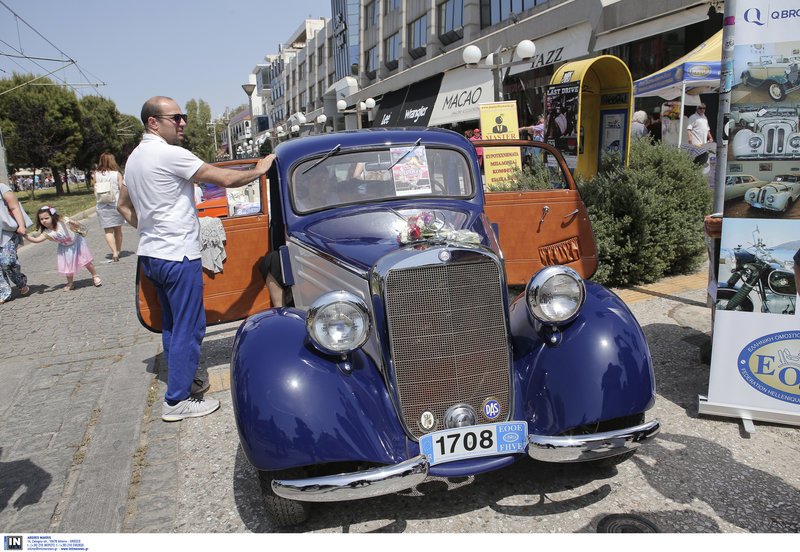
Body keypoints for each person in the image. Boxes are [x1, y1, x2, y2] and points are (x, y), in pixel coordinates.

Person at [116, 95, 275, 422]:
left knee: (172, 326)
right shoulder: (170, 154)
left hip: (152, 255)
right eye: (176, 117)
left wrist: (149, 228)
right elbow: (226, 179)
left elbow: (122, 206)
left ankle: (182, 381)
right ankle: (176, 401)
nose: (183, 122)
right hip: (177, 255)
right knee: (190, 326)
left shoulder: (133, 159)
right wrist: (260, 168)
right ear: (153, 123)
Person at [23, 206, 101, 291]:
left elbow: (77, 225)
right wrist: (25, 235)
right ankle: (70, 283)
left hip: (77, 242)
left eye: (46, 218)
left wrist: (70, 221)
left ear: (52, 217)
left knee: (86, 261)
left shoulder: (62, 221)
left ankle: (95, 276)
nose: (44, 221)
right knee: (68, 265)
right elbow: (36, 240)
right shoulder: (47, 232)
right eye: (41, 219)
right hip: (65, 247)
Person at [0, 181, 30, 304]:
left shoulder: (2, 188)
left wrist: (21, 225)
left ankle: (20, 282)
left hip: (7, 232)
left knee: (7, 262)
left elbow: (14, 206)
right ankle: (4, 292)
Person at [93, 152, 125, 262]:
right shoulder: (117, 174)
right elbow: (122, 189)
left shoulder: (95, 175)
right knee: (118, 230)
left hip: (102, 205)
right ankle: (119, 251)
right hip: (115, 205)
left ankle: (114, 252)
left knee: (108, 231)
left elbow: (95, 189)